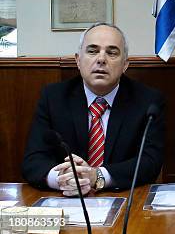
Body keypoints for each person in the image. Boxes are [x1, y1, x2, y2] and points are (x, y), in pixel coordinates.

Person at [22, 23, 165, 195]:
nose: (101, 59)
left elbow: (150, 162)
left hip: (124, 198)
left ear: (125, 65)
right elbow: (33, 160)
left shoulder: (148, 101)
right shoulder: (54, 98)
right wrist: (62, 180)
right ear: (78, 60)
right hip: (66, 199)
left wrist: (96, 176)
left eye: (112, 52)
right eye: (92, 51)